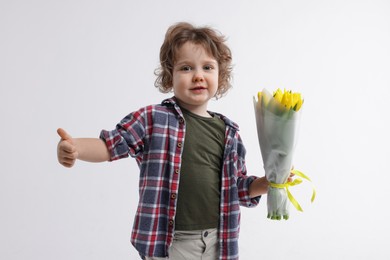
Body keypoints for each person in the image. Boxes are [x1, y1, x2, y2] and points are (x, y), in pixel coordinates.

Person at [57, 22, 270, 260]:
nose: (198, 75)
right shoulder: (153, 118)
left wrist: (265, 183)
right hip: (170, 243)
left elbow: (236, 188)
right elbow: (111, 145)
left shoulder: (229, 131)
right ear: (170, 76)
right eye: (187, 68)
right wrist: (75, 147)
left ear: (220, 76)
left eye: (207, 67)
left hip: (220, 241)